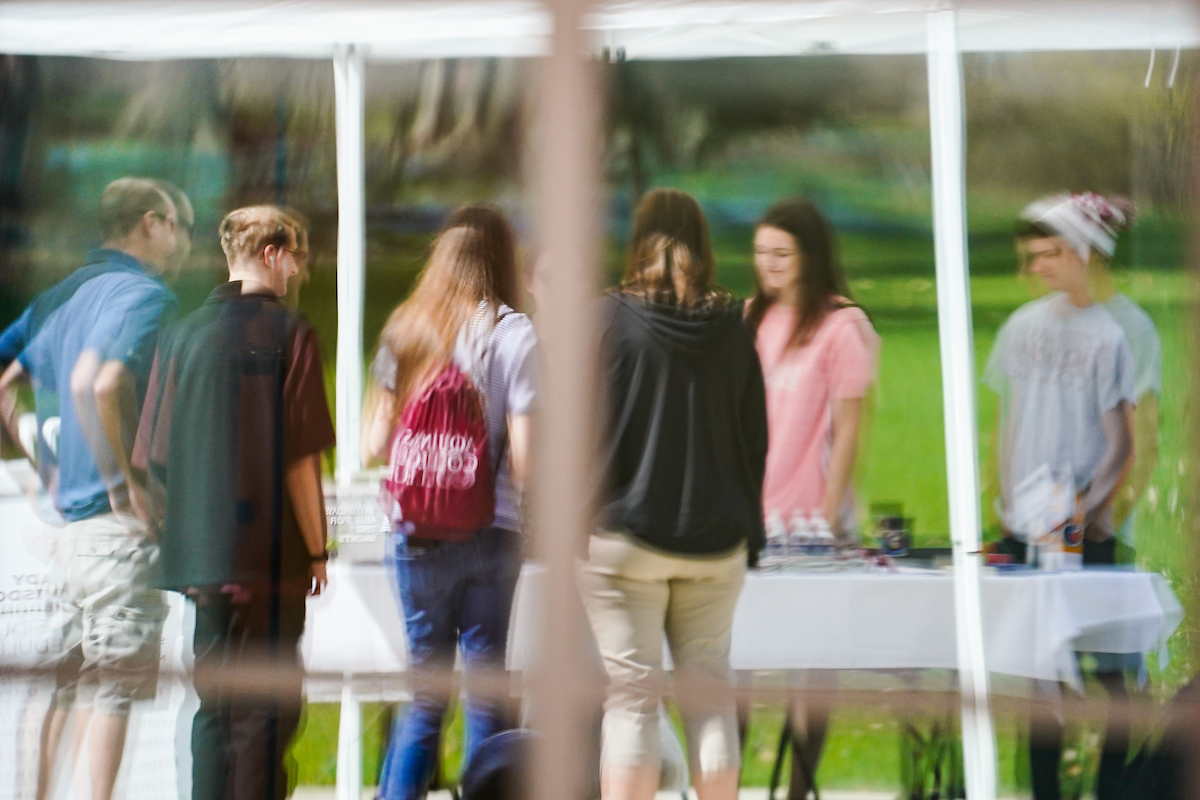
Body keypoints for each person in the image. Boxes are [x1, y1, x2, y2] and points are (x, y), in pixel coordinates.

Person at [131, 205, 335, 800]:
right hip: (270, 567)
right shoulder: (292, 335)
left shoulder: (181, 336)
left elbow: (154, 455)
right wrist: (318, 551)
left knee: (214, 710)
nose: (296, 271)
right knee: (263, 718)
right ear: (272, 252)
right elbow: (303, 462)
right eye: (294, 256)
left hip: (202, 567)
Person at [581, 187, 768, 800]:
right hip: (717, 539)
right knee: (709, 693)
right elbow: (755, 438)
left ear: (638, 240)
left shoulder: (605, 318)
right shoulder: (735, 325)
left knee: (632, 700)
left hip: (623, 536)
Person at [0, 177, 183, 800]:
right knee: (116, 686)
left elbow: (6, 383)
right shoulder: (143, 295)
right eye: (177, 227)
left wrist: (43, 463)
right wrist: (125, 481)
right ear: (151, 223)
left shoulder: (60, 298)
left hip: (70, 532)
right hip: (116, 533)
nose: (181, 242)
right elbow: (97, 382)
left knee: (62, 682)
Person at [361, 205, 537, 800]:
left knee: (424, 695)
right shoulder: (514, 333)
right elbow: (527, 460)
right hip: (494, 529)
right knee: (488, 691)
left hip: (417, 534)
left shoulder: (407, 327)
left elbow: (372, 446)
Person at [985, 192, 1138, 800]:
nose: (1037, 266)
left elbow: (1119, 444)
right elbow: (1010, 418)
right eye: (1032, 255)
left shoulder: (1108, 338)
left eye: (1048, 254)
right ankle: (1045, 792)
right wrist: (1004, 499)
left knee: (1112, 679)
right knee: (1037, 676)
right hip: (1026, 528)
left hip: (1081, 531)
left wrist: (1086, 513)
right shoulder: (1022, 327)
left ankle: (1112, 790)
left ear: (1082, 253)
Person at [742, 197, 879, 800]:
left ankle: (798, 788)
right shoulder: (748, 318)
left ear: (810, 256)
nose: (767, 265)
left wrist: (827, 513)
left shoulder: (842, 325)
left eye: (781, 254)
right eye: (760, 253)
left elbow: (851, 427)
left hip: (813, 516)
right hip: (749, 512)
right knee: (735, 659)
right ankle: (722, 780)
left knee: (812, 663)